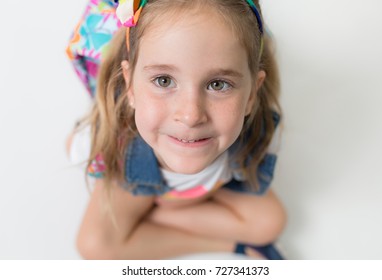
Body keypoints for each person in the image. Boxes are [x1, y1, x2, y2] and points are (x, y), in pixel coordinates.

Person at [66, 0, 286, 260]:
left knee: (271, 222)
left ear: (251, 94)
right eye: (164, 80)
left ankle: (154, 217)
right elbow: (73, 144)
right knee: (95, 246)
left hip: (194, 194)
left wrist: (175, 203)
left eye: (218, 84)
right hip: (137, 188)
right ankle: (233, 246)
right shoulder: (112, 142)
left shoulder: (257, 130)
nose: (191, 115)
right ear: (130, 86)